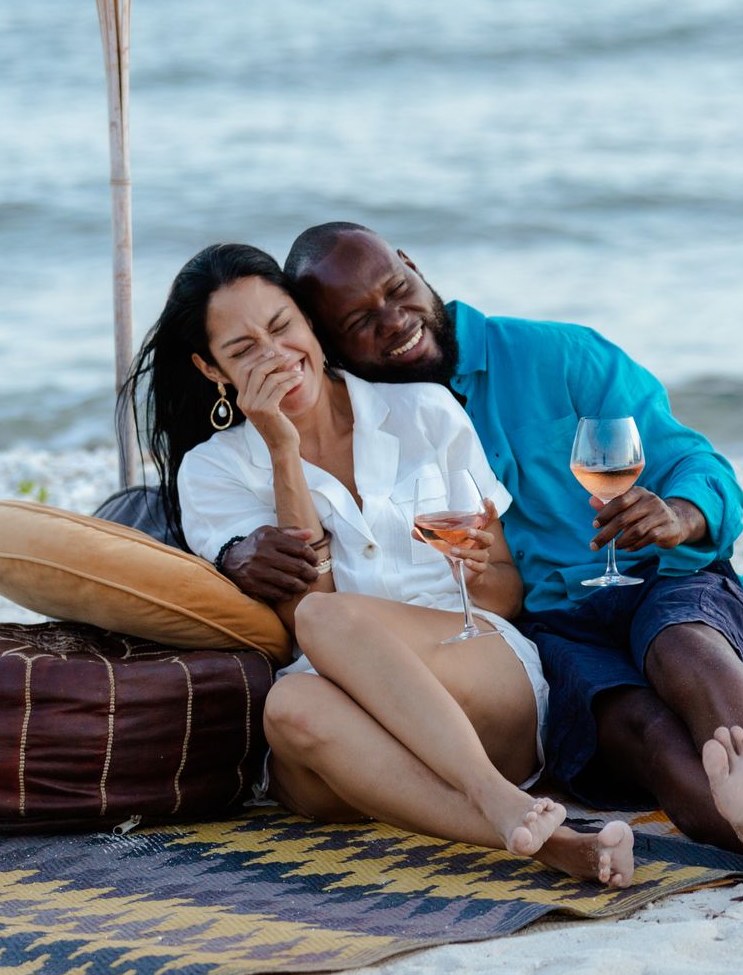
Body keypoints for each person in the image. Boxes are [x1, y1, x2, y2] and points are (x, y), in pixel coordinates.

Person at [218, 223, 743, 890]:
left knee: (684, 645)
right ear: (329, 342)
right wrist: (239, 554)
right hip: (557, 628)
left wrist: (680, 514)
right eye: (360, 319)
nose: (395, 320)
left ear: (414, 265)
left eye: (398, 288)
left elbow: (693, 458)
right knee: (639, 730)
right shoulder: (384, 420)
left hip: (660, 576)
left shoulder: (558, 356)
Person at [123, 242, 634, 889]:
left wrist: (477, 570)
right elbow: (294, 617)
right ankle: (544, 839)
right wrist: (282, 449)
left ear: (307, 321)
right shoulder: (214, 470)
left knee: (324, 616)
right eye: (244, 349)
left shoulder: (424, 411)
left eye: (281, 327)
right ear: (211, 368)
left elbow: (506, 589)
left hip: (479, 675)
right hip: (348, 723)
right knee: (289, 707)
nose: (276, 355)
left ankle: (493, 793)